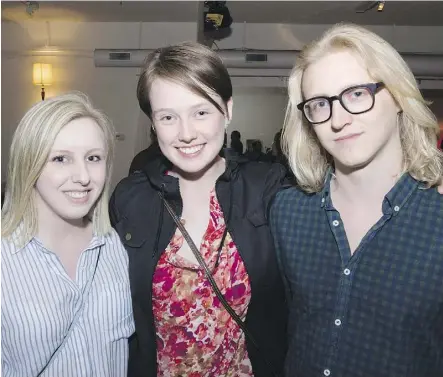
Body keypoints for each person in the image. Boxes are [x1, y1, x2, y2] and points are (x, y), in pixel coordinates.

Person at [270, 23, 443, 377]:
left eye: (357, 94)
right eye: (320, 104)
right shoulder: (288, 212)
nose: (340, 118)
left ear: (397, 96)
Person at [109, 42, 288, 377]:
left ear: (228, 109)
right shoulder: (130, 199)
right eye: (168, 117)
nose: (186, 133)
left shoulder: (268, 189)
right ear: (152, 123)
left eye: (201, 112)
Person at [1, 92, 134, 377]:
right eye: (61, 158)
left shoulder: (116, 247)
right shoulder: (5, 261)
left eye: (93, 158)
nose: (83, 176)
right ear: (29, 166)